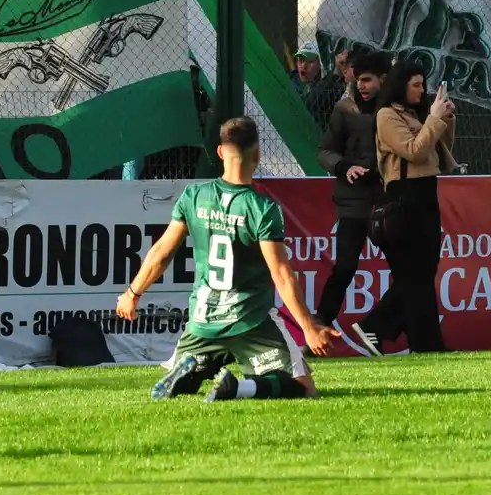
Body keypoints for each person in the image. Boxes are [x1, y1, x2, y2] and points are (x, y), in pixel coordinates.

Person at [119, 117, 337, 403]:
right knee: (304, 390)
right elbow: (282, 274)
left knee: (193, 371)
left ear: (220, 152)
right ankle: (239, 388)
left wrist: (132, 293)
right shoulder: (262, 208)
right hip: (249, 320)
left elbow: (162, 252)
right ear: (257, 155)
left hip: (202, 321)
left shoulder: (194, 196)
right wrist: (308, 327)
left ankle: (192, 366)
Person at [369, 63, 458, 353]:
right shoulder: (386, 115)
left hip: (426, 193)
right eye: (416, 85)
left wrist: (446, 118)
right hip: (405, 196)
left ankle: (428, 345)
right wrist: (433, 119)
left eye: (423, 85)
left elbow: (439, 150)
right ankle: (372, 327)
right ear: (401, 85)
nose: (421, 90)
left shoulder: (415, 115)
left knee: (424, 273)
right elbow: (414, 151)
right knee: (415, 275)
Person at [313, 52, 391, 343]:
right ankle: (318, 326)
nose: (362, 86)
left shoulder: (396, 110)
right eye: (359, 80)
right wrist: (345, 166)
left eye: (368, 80)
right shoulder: (344, 109)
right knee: (345, 266)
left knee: (409, 270)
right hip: (352, 203)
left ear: (384, 80)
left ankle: (384, 329)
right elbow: (324, 151)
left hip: (386, 201)